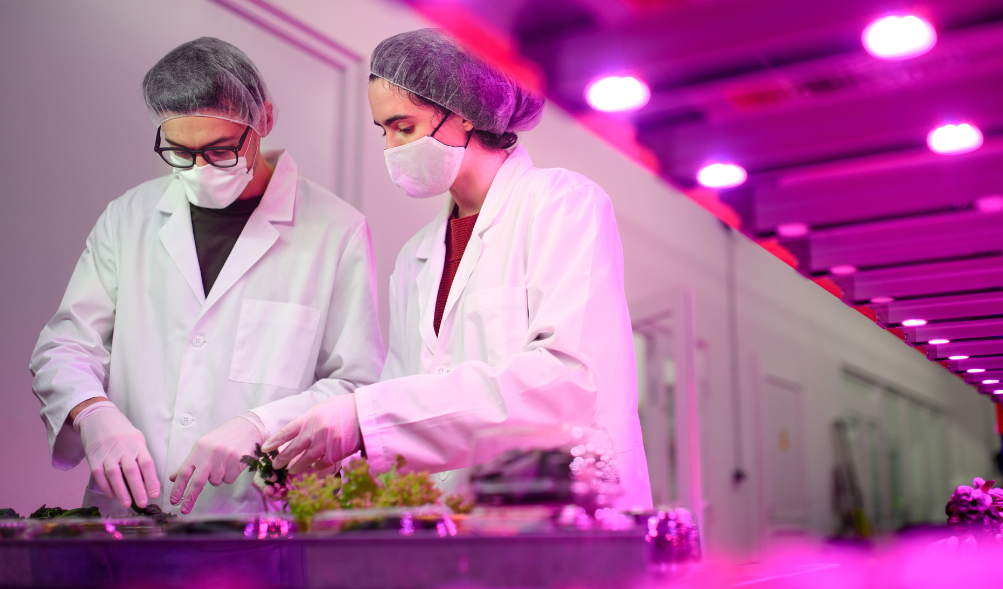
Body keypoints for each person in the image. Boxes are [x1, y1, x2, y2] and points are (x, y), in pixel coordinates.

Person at [263, 29, 652, 508]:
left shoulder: (562, 204)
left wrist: (367, 419)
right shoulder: (415, 258)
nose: (390, 148)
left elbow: (566, 381)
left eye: (403, 127)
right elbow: (405, 396)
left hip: (566, 511)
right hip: (458, 525)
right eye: (383, 130)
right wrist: (346, 455)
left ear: (464, 112)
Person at [30, 37, 384, 516]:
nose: (199, 169)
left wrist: (259, 424)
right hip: (131, 514)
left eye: (219, 150)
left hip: (256, 515)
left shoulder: (335, 230)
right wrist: (92, 413)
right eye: (179, 151)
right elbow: (65, 346)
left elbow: (356, 383)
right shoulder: (128, 217)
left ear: (265, 121)